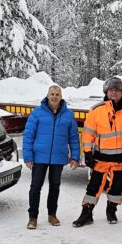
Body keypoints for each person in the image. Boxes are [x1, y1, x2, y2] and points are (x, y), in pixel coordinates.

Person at [74, 76, 122, 227]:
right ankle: (86, 213)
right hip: (102, 158)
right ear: (106, 92)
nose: (114, 93)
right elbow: (88, 133)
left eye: (117, 90)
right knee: (93, 187)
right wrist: (87, 153)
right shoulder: (96, 110)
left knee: (117, 188)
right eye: (111, 90)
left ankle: (111, 211)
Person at [21, 85, 80, 229]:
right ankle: (32, 217)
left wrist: (75, 157)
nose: (54, 97)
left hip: (58, 157)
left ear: (61, 97)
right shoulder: (37, 113)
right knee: (35, 187)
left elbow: (73, 137)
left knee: (55, 187)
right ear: (47, 96)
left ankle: (52, 215)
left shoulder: (68, 115)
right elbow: (28, 136)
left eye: (57, 94)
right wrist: (28, 157)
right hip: (39, 157)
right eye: (52, 94)